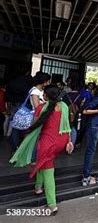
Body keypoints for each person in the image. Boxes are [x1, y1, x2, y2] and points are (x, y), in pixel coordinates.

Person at [9, 85, 73, 215]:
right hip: (61, 141)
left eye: (43, 94)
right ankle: (38, 187)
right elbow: (67, 124)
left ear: (46, 96)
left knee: (48, 172)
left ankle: (52, 205)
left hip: (47, 144)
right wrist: (70, 141)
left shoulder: (41, 108)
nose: (42, 95)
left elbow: (33, 125)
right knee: (42, 162)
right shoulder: (64, 106)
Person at [11, 72, 51, 149]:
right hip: (34, 117)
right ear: (44, 81)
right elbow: (37, 107)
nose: (49, 83)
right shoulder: (35, 91)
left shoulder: (41, 91)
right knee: (29, 137)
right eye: (48, 81)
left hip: (39, 116)